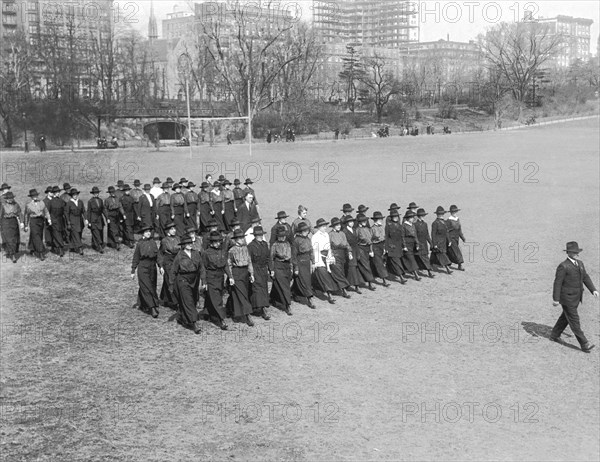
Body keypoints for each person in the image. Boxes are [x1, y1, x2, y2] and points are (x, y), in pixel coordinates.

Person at [550, 242, 599, 353]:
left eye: (578, 252)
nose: (577, 254)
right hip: (567, 298)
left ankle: (554, 334)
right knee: (574, 320)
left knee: (565, 317)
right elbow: (557, 283)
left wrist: (593, 290)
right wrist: (556, 299)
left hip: (577, 297)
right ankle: (584, 343)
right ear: (569, 253)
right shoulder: (563, 266)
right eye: (575, 252)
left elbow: (585, 277)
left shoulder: (580, 263)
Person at [170, 235, 203, 334]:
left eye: (191, 243)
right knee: (188, 300)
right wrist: (171, 284)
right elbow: (173, 271)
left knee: (192, 300)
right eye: (187, 243)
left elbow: (201, 267)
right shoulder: (179, 256)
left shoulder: (196, 253)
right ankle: (194, 323)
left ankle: (181, 316)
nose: (190, 245)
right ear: (183, 245)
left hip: (194, 280)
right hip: (183, 280)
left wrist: (204, 281)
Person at [200, 231, 230, 330]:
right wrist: (204, 281)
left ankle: (207, 313)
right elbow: (203, 268)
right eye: (216, 242)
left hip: (220, 277)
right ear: (211, 242)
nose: (218, 243)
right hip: (211, 277)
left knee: (213, 296)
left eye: (219, 241)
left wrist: (230, 276)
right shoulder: (206, 253)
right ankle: (221, 320)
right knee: (217, 299)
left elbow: (225, 265)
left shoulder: (222, 251)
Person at [226, 228, 255, 326]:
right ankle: (247, 315)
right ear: (236, 239)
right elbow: (228, 264)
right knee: (241, 294)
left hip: (245, 272)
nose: (243, 239)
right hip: (236, 272)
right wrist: (230, 277)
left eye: (243, 237)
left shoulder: (246, 248)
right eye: (240, 238)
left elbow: (249, 261)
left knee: (241, 293)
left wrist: (251, 274)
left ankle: (230, 310)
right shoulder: (231, 250)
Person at [131, 225, 161, 319]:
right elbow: (136, 257)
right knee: (146, 286)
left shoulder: (153, 243)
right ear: (143, 233)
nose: (148, 233)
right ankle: (152, 307)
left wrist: (161, 266)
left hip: (152, 267)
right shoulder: (139, 244)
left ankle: (142, 303)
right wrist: (133, 270)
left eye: (149, 231)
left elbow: (158, 256)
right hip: (143, 267)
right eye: (146, 232)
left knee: (151, 286)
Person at [311, 218, 337, 304]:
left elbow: (329, 247)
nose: (325, 227)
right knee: (323, 274)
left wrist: (330, 257)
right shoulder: (315, 236)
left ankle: (315, 287)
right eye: (323, 226)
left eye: (325, 226)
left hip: (327, 256)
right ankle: (329, 295)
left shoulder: (326, 234)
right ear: (318, 227)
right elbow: (315, 250)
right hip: (319, 257)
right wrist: (317, 261)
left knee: (325, 273)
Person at [247, 226, 271, 320]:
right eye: (258, 235)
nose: (261, 237)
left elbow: (268, 258)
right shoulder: (251, 246)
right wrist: (251, 273)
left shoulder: (265, 245)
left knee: (264, 288)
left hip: (263, 269)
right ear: (255, 236)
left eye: (261, 235)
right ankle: (261, 308)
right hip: (255, 268)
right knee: (257, 288)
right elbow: (249, 260)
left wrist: (271, 269)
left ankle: (262, 307)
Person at [291, 221, 316, 308]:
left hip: (307, 262)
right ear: (300, 231)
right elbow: (294, 256)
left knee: (302, 280)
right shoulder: (296, 241)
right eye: (305, 231)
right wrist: (296, 268)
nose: (307, 232)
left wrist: (313, 262)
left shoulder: (308, 239)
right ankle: (309, 299)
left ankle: (294, 292)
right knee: (305, 281)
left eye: (307, 231)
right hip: (300, 262)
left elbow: (311, 251)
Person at [269, 227, 293, 315]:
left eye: (284, 236)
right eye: (280, 236)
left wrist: (291, 268)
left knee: (279, 284)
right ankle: (287, 305)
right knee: (284, 287)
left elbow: (290, 258)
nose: (282, 238)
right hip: (278, 266)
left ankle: (272, 298)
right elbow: (271, 258)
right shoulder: (274, 245)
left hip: (286, 266)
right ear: (278, 237)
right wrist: (271, 270)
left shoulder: (287, 244)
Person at [24, 188, 51, 261]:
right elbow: (26, 215)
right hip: (33, 221)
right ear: (31, 197)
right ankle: (41, 252)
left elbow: (46, 211)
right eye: (33, 196)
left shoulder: (41, 202)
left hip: (41, 221)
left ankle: (32, 248)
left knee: (39, 235)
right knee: (36, 236)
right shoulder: (28, 205)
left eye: (35, 195)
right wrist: (26, 225)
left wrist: (49, 219)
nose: (35, 197)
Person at [328, 217, 352, 298]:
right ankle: (344, 290)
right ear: (333, 226)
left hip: (343, 255)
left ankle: (337, 288)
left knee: (341, 271)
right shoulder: (330, 235)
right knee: (338, 272)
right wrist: (331, 256)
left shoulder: (342, 233)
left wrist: (350, 252)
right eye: (336, 225)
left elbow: (347, 244)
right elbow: (328, 247)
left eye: (339, 225)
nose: (339, 226)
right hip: (335, 255)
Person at [158, 222, 180, 309]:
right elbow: (160, 254)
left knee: (174, 280)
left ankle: (165, 298)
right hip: (168, 263)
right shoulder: (164, 241)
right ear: (167, 231)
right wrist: (161, 266)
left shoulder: (178, 239)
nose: (174, 230)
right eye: (171, 229)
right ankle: (175, 302)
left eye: (174, 229)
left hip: (177, 261)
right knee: (171, 281)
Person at [342, 215, 365, 293]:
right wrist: (349, 252)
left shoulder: (354, 230)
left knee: (353, 267)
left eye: (352, 222)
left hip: (355, 250)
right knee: (352, 267)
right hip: (349, 250)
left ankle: (348, 284)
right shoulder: (344, 231)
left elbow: (357, 241)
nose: (351, 223)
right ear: (347, 223)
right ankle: (356, 286)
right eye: (350, 222)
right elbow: (345, 243)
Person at [384, 209, 408, 284]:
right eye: (394, 216)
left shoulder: (400, 226)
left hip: (398, 247)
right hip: (392, 247)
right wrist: (386, 248)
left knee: (395, 261)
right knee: (396, 262)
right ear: (391, 217)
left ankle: (388, 272)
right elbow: (386, 237)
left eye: (397, 216)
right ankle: (401, 278)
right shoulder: (388, 226)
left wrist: (404, 246)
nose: (396, 218)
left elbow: (402, 237)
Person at [355, 214, 376, 291]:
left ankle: (363, 281)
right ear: (359, 222)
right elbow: (356, 241)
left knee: (367, 264)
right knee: (365, 265)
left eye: (365, 220)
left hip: (368, 248)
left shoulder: (367, 229)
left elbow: (370, 240)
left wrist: (371, 250)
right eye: (362, 221)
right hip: (361, 248)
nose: (364, 222)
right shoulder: (357, 230)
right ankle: (370, 283)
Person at [0, 191, 23, 263]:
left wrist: (22, 222)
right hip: (5, 222)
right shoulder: (3, 205)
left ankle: (12, 251)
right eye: (9, 198)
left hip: (14, 222)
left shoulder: (16, 204)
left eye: (12, 198)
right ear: (6, 199)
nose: (10, 200)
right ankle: (12, 255)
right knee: (8, 238)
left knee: (14, 238)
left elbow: (19, 213)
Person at [369, 211, 391, 286]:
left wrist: (384, 248)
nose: (381, 220)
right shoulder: (372, 229)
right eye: (379, 219)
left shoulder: (381, 227)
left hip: (381, 245)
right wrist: (371, 250)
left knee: (381, 261)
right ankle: (384, 280)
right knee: (379, 263)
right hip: (375, 246)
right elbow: (370, 241)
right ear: (376, 220)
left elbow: (384, 238)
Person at [430, 206, 453, 274]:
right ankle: (447, 268)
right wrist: (434, 244)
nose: (441, 215)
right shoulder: (435, 223)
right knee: (442, 255)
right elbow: (433, 234)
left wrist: (449, 240)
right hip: (438, 242)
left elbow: (446, 232)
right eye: (440, 214)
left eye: (442, 214)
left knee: (434, 254)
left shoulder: (444, 222)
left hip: (443, 242)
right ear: (437, 215)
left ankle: (430, 264)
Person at [64, 188, 87, 255]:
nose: (75, 196)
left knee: (79, 233)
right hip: (72, 221)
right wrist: (68, 222)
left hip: (80, 221)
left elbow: (83, 211)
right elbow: (66, 213)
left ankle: (72, 247)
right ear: (71, 195)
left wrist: (86, 219)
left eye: (76, 194)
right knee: (75, 233)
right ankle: (80, 248)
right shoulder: (69, 203)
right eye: (74, 195)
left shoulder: (80, 202)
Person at [414, 208, 435, 278]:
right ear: (418, 216)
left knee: (425, 258)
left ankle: (429, 271)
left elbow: (427, 234)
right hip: (418, 244)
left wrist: (431, 243)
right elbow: (415, 236)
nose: (422, 217)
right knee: (418, 258)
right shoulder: (415, 225)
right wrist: (417, 244)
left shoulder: (425, 224)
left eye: (423, 215)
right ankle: (417, 272)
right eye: (421, 215)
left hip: (424, 244)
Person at [103, 186, 125, 251]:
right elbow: (105, 209)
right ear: (109, 193)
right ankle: (117, 243)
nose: (112, 193)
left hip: (117, 214)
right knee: (113, 229)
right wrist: (107, 218)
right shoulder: (107, 200)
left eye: (113, 192)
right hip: (110, 215)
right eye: (111, 192)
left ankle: (110, 243)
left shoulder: (117, 199)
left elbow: (120, 206)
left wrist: (123, 214)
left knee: (116, 229)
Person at [402, 210, 422, 280]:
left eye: (413, 217)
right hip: (407, 244)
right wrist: (404, 246)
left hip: (412, 243)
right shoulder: (404, 226)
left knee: (412, 258)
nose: (413, 219)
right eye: (411, 217)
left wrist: (417, 244)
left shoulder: (413, 225)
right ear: (407, 218)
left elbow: (415, 235)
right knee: (411, 259)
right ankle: (416, 275)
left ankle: (412, 271)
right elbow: (402, 237)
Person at [47, 186, 66, 257]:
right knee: (56, 234)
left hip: (60, 220)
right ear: (54, 193)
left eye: (59, 192)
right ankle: (60, 248)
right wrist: (49, 220)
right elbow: (48, 212)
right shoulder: (50, 202)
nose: (58, 193)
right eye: (57, 192)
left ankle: (57, 247)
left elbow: (64, 210)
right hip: (54, 220)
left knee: (60, 233)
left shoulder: (61, 201)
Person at [446, 204, 466, 271]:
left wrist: (462, 238)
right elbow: (447, 231)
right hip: (451, 238)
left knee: (451, 251)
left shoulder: (457, 219)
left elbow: (459, 230)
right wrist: (449, 240)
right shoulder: (448, 221)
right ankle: (460, 264)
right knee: (457, 251)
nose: (454, 213)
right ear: (451, 213)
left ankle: (448, 263)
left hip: (456, 238)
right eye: (453, 212)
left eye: (455, 212)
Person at [87, 186, 105, 254]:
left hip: (99, 218)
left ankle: (94, 244)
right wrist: (89, 221)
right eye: (95, 193)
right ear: (93, 194)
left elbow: (103, 209)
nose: (96, 194)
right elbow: (88, 211)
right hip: (93, 219)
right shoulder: (90, 201)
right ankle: (99, 246)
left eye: (97, 193)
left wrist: (107, 217)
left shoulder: (100, 200)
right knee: (95, 232)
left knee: (100, 231)